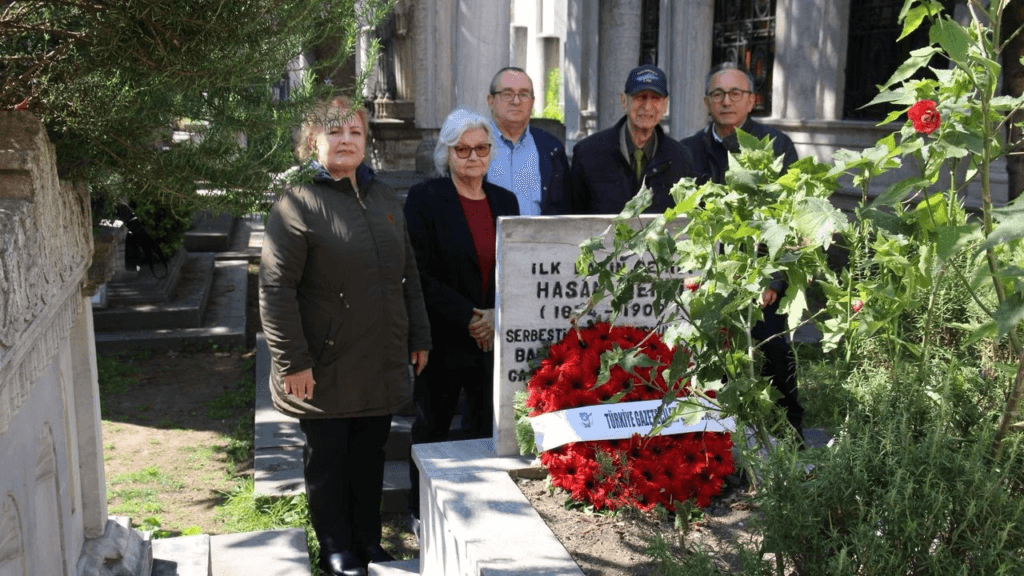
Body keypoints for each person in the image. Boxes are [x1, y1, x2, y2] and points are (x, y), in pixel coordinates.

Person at [259, 96, 431, 576]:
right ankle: (336, 548)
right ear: (311, 141)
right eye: (334, 132)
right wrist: (293, 361)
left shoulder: (383, 197)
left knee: (369, 456)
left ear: (365, 141)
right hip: (324, 362)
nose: (346, 140)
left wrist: (419, 335)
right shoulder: (296, 203)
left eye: (355, 132)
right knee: (329, 460)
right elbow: (276, 289)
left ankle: (367, 543)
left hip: (379, 356)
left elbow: (409, 273)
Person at [403, 108, 519, 526]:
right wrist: (470, 315)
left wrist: (494, 314)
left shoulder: (506, 200)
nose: (473, 157)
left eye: (481, 148)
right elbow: (418, 271)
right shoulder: (425, 199)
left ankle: (482, 512)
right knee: (432, 429)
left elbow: (514, 266)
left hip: (492, 339)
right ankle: (420, 512)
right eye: (463, 149)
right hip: (443, 336)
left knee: (485, 431)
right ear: (447, 153)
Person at [680, 62, 804, 443]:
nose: (726, 101)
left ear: (752, 101)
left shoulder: (776, 146)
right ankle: (723, 450)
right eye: (718, 94)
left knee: (773, 359)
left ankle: (789, 443)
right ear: (706, 102)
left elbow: (792, 216)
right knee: (713, 367)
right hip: (707, 281)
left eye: (736, 94)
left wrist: (775, 278)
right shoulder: (687, 150)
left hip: (761, 280)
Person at [568, 64, 696, 214]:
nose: (647, 106)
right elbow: (573, 219)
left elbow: (686, 219)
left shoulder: (681, 159)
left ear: (665, 105)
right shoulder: (587, 154)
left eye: (655, 98)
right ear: (624, 101)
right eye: (640, 97)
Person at [486, 66, 570, 215]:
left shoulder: (552, 148)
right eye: (507, 94)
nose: (516, 101)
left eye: (524, 94)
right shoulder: (475, 147)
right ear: (491, 100)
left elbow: (566, 207)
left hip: (541, 237)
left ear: (532, 102)